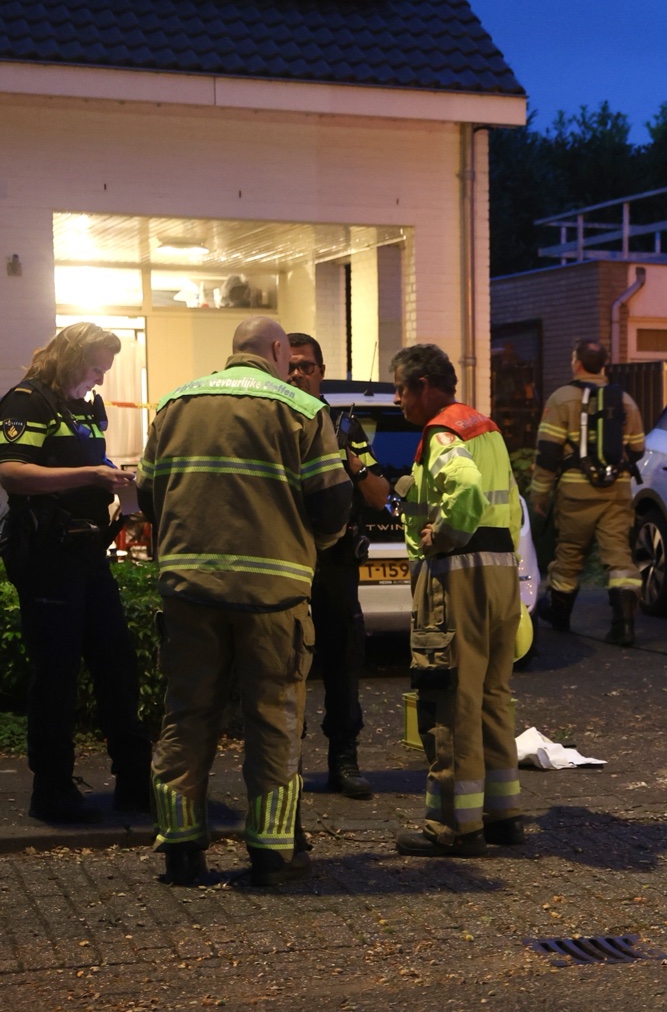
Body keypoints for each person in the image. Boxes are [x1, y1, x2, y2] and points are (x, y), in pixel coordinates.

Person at [137, 316, 351, 886]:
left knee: (186, 714)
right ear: (279, 351)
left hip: (188, 590)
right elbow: (331, 508)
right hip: (272, 596)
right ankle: (273, 853)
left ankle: (182, 849)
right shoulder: (301, 410)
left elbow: (146, 493)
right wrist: (309, 543)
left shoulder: (175, 404)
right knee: (273, 719)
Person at [0, 322, 154, 823]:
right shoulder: (27, 402)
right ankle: (53, 790)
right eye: (95, 368)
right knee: (56, 673)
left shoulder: (84, 405)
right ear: (71, 357)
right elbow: (12, 472)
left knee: (116, 665)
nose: (101, 380)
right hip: (46, 555)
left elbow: (87, 458)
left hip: (88, 553)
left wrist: (117, 480)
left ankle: (134, 783)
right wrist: (92, 474)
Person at [392, 343, 524, 857]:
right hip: (499, 576)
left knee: (451, 697)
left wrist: (440, 536)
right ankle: (502, 815)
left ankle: (453, 826)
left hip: (458, 579)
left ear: (425, 385)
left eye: (402, 389)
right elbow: (505, 503)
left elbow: (464, 490)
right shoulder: (485, 428)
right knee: (493, 694)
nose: (400, 400)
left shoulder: (442, 431)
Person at [287, 331, 389, 801]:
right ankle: (285, 766)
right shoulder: (271, 423)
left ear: (321, 371)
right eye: (288, 366)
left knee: (343, 662)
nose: (296, 373)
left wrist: (354, 463)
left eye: (305, 366)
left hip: (334, 563)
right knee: (282, 665)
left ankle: (343, 761)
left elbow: (378, 496)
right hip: (285, 560)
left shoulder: (344, 426)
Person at [530, 338, 645, 646]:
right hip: (617, 492)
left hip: (576, 492)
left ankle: (559, 614)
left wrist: (540, 496)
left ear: (576, 362)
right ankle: (624, 626)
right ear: (604, 365)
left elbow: (547, 454)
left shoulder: (562, 399)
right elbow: (637, 448)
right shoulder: (626, 401)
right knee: (619, 556)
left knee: (569, 554)